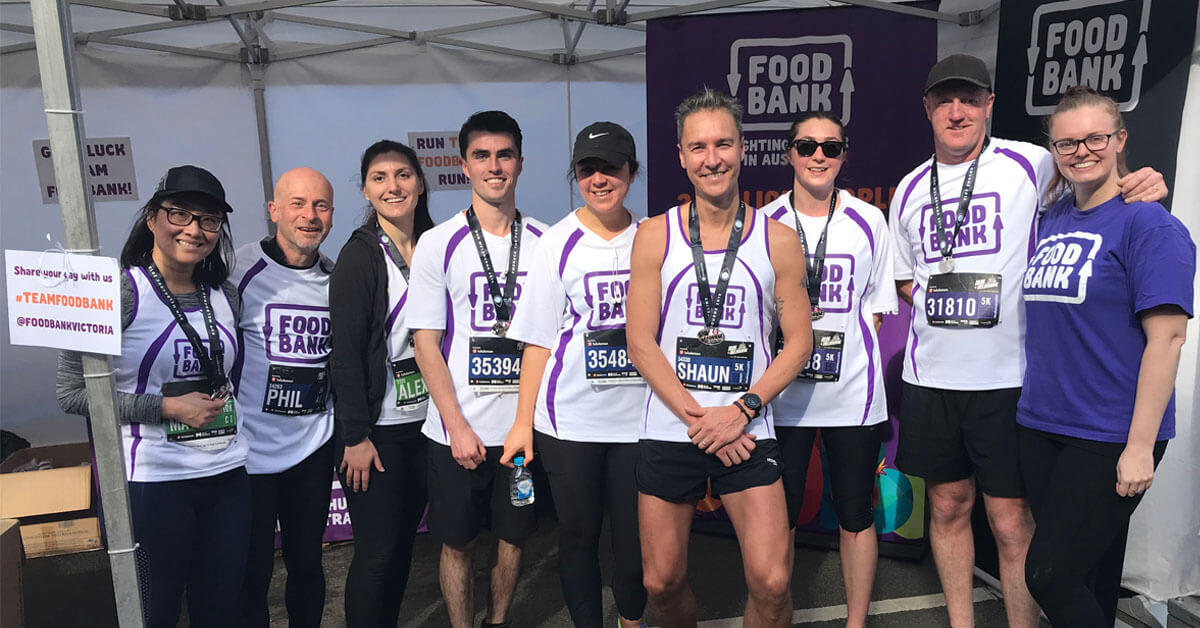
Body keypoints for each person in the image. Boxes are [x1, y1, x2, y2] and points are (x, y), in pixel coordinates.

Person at [887, 54, 1168, 628]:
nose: (957, 111)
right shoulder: (910, 187)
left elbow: (1101, 181)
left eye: (969, 99)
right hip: (932, 378)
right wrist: (951, 307)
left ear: (990, 104)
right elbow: (903, 277)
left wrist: (1146, 178)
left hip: (1010, 380)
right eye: (945, 101)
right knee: (946, 507)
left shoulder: (1035, 162)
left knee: (1013, 523)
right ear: (928, 109)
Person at [626, 88, 811, 628]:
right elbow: (640, 342)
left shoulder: (778, 239)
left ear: (743, 149)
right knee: (660, 582)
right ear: (681, 156)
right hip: (674, 425)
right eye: (699, 147)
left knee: (773, 582)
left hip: (748, 425)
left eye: (724, 144)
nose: (713, 159)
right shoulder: (654, 235)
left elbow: (799, 342)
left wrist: (741, 410)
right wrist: (702, 420)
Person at [1018, 85, 1194, 628]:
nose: (1081, 151)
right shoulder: (1052, 219)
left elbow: (1167, 339)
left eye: (1095, 138)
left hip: (1110, 433)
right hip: (1043, 426)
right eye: (1067, 142)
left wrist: (1140, 446)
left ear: (1120, 140)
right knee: (1090, 574)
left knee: (1049, 576)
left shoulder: (1151, 225)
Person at [57, 165, 250, 628]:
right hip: (149, 483)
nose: (193, 230)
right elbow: (71, 393)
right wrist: (166, 408)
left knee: (220, 611)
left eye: (208, 220)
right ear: (152, 218)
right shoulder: (118, 293)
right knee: (152, 613)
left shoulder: (223, 293)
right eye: (179, 214)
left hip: (226, 477)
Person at [500, 121, 648, 628]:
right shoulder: (556, 243)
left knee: (634, 549)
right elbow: (538, 341)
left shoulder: (653, 238)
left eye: (611, 168)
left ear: (632, 171)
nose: (600, 179)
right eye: (588, 169)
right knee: (579, 537)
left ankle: (633, 619)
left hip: (639, 424)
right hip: (570, 425)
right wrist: (522, 423)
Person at [409, 111, 547, 628]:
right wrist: (457, 427)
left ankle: (499, 622)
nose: (494, 166)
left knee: (512, 539)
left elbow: (547, 341)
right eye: (482, 156)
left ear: (520, 163)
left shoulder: (545, 241)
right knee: (458, 543)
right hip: (455, 432)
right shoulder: (437, 242)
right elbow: (426, 343)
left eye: (504, 155)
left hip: (519, 430)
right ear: (464, 164)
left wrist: (525, 422)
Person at [760, 111, 895, 628]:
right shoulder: (766, 224)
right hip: (783, 400)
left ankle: (856, 622)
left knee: (856, 515)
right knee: (782, 520)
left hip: (852, 398)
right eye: (808, 145)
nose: (819, 155)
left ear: (844, 155)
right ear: (790, 153)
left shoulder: (869, 220)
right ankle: (778, 617)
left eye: (831, 147)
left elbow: (878, 311)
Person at [328, 141, 436, 626]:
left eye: (403, 175)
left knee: (402, 549)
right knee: (376, 552)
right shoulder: (359, 257)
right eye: (379, 177)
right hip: (379, 430)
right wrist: (355, 436)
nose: (393, 186)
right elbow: (346, 354)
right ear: (367, 190)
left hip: (430, 426)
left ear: (419, 182)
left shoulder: (438, 245)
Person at [231, 167, 336, 628]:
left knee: (307, 566)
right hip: (249, 453)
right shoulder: (237, 269)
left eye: (320, 206)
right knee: (250, 573)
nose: (309, 216)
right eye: (297, 204)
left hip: (311, 449)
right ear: (274, 210)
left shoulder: (338, 277)